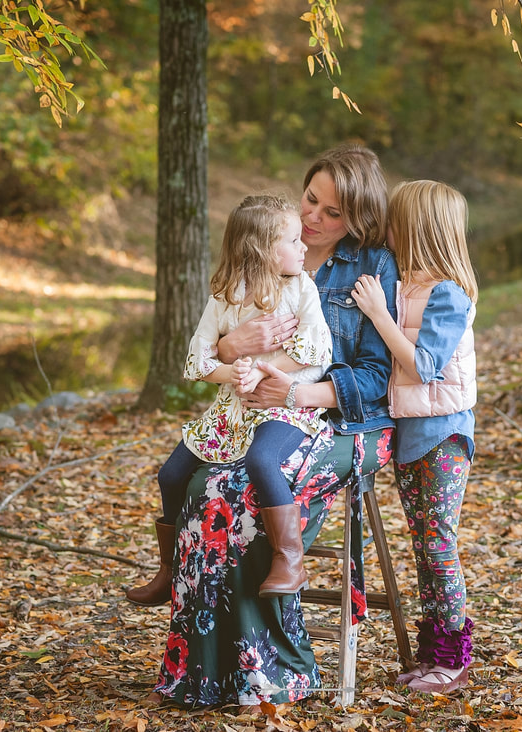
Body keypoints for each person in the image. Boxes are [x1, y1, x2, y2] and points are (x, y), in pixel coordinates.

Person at [146, 144, 401, 708]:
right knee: (199, 485)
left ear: (356, 220)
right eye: (311, 200)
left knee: (236, 494)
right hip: (254, 413)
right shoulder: (265, 244)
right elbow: (212, 344)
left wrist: (298, 389)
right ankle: (201, 671)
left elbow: (378, 375)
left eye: (332, 214)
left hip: (343, 422)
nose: (313, 219)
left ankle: (271, 671)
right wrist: (228, 347)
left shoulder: (373, 267)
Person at [126, 194, 332, 606]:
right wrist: (233, 371)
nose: (304, 246)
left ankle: (289, 559)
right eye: (294, 240)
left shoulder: (301, 288)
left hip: (283, 402)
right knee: (170, 475)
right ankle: (168, 570)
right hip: (233, 407)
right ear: (263, 250)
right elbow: (197, 358)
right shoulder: (225, 296)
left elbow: (316, 347)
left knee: (261, 460)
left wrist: (261, 371)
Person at [350, 180, 477, 695]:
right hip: (409, 432)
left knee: (439, 542)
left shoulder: (449, 293)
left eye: (395, 222)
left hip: (443, 434)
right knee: (423, 544)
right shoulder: (405, 282)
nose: (387, 231)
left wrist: (379, 315)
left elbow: (425, 367)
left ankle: (453, 654)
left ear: (419, 228)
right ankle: (432, 653)